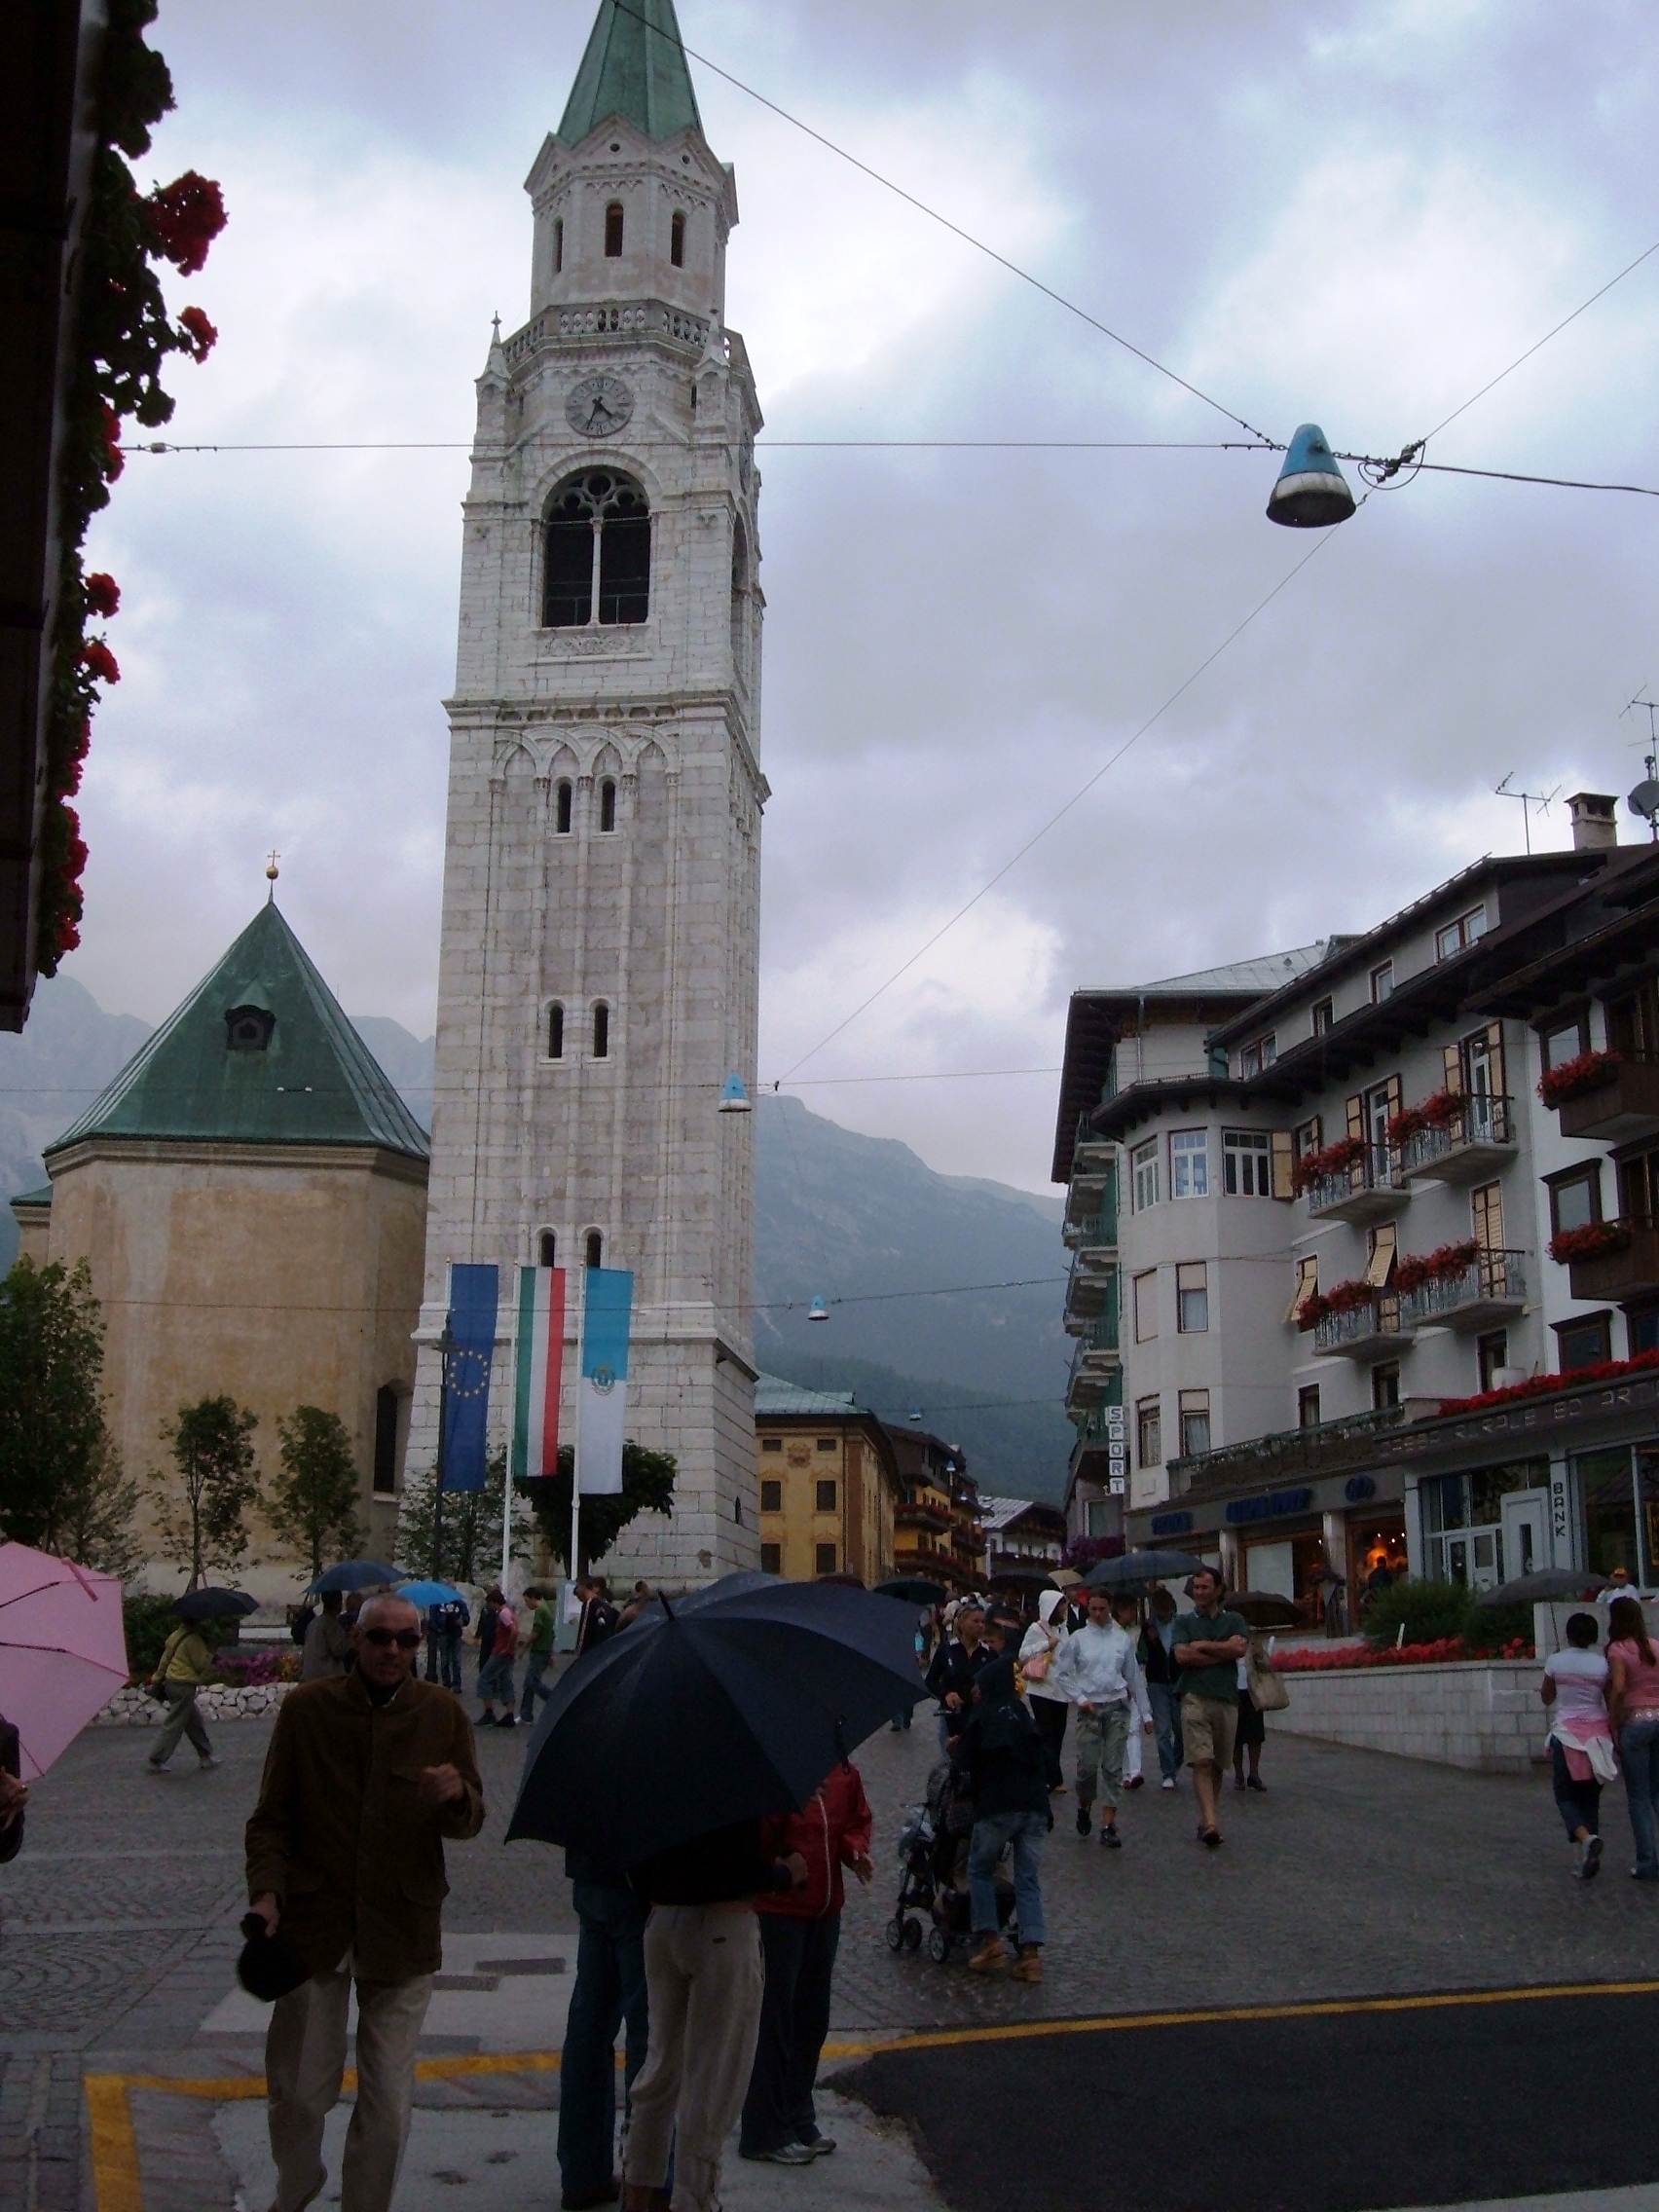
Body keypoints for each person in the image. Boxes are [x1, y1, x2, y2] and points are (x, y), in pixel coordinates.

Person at [245, 1592, 484, 2212]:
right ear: (356, 1639)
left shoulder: (441, 1713)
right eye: (382, 1638)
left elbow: (470, 1820)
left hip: (402, 1929)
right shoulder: (308, 1711)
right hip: (316, 1926)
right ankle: (296, 2187)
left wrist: (456, 1795)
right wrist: (267, 1895)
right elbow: (271, 1819)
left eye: (408, 1640)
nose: (394, 1651)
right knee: (298, 2091)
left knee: (388, 2109)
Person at [620, 1822, 808, 2212]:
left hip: (663, 1923)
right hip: (723, 1928)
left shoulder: (652, 1769)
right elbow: (736, 1871)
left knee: (658, 2070)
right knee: (715, 2077)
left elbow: (633, 1863)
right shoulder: (734, 1774)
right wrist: (786, 1873)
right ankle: (695, 2200)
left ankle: (635, 2195)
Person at [740, 1759, 873, 2165]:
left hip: (824, 1910)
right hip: (780, 1911)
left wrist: (855, 1850)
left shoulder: (845, 1773)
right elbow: (760, 1839)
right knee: (775, 2019)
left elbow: (854, 1820)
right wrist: (790, 1798)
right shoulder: (774, 1773)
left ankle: (799, 2112)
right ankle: (763, 2127)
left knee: (812, 2017)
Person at [559, 1838, 654, 2212]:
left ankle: (583, 2173)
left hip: (591, 1871)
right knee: (648, 2037)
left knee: (590, 2025)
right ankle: (650, 2175)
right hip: (641, 1883)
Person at [951, 1657, 1050, 1983]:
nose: (975, 1691)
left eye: (978, 1685)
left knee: (978, 1870)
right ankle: (1031, 1956)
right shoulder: (1022, 1712)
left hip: (998, 1805)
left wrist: (957, 1746)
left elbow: (961, 1764)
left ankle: (991, 1942)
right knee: (1027, 1878)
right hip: (1035, 1805)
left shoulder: (983, 1714)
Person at [1049, 1587, 1152, 1847]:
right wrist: (1081, 1699)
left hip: (1116, 1706)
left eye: (1102, 1609)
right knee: (1087, 1769)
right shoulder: (1078, 1639)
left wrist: (1146, 1712)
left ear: (1110, 1609)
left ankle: (1108, 1823)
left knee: (1112, 1767)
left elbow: (1133, 1677)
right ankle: (1084, 1806)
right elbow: (1061, 1674)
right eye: (1092, 1609)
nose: (1097, 1614)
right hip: (1089, 1709)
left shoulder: (1122, 1640)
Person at [1172, 1567, 1250, 1849]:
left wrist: (1203, 1646)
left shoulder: (1234, 1619)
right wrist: (1222, 1651)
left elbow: (1239, 1650)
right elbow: (1182, 1655)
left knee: (1217, 1763)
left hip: (1227, 1698)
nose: (1200, 1593)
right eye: (1196, 1588)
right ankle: (1212, 1822)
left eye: (1205, 1587)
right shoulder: (1183, 1621)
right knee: (1202, 1760)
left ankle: (1207, 1817)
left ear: (1218, 1589)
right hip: (1194, 1697)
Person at [1541, 1610, 1612, 1880]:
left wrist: (1557, 1674)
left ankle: (1585, 1840)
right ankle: (1587, 1857)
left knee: (1565, 1795)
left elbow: (1547, 1698)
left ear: (1569, 1635)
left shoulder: (1556, 1661)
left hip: (1567, 1735)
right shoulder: (1601, 1664)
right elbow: (1607, 1697)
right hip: (1598, 1736)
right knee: (1590, 1799)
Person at [1606, 1594, 1659, 1880]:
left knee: (1638, 1797)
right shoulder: (1655, 1647)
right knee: (1657, 1792)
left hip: (1635, 1723)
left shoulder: (1617, 1649)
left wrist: (1613, 1720)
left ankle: (1647, 1861)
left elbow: (1618, 1687)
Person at [146, 1614, 220, 1773]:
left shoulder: (175, 1636)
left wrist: (157, 1678)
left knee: (193, 1721)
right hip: (184, 1684)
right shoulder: (194, 1640)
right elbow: (200, 1664)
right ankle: (157, 1758)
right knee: (175, 1723)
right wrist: (211, 1653)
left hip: (171, 1682)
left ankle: (205, 1754)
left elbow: (164, 1660)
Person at [1019, 1591, 1071, 1790]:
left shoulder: (1063, 1629)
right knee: (1045, 1733)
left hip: (1061, 1690)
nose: (1064, 1610)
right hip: (1040, 1689)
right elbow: (1023, 1653)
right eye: (1060, 1606)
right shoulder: (1036, 1629)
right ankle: (1051, 1778)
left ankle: (1050, 1774)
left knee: (1058, 1735)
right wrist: (1045, 1645)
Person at [924, 1601, 991, 1753]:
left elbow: (992, 1686)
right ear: (961, 1623)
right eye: (975, 1621)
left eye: (983, 1622)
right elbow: (930, 1681)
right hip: (951, 1718)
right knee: (950, 1763)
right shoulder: (947, 1650)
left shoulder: (987, 1654)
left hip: (978, 1718)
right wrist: (946, 1694)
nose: (980, 1625)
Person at [1139, 1588, 1185, 1790]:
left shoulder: (1181, 1624)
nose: (1162, 1610)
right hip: (1157, 1682)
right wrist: (1151, 1640)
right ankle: (1168, 1772)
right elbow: (1141, 1656)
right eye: (1158, 1606)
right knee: (1163, 1730)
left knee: (1182, 1730)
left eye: (1165, 1605)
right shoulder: (1148, 1627)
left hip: (1178, 1680)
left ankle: (1174, 1764)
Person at [1113, 1595, 1148, 1788]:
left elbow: (1143, 1655)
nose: (1133, 1614)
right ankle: (1124, 1772)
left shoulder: (1136, 1631)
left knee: (1134, 1727)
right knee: (1119, 1731)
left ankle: (1135, 1771)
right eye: (1130, 1609)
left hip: (1135, 1682)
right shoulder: (1110, 1631)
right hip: (1116, 1686)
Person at [477, 1585, 518, 1727]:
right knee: (505, 1680)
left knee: (484, 1678)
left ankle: (489, 1712)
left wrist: (507, 1648)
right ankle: (509, 1714)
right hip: (508, 1653)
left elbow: (513, 1631)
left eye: (490, 1604)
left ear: (495, 1602)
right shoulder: (510, 1611)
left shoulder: (503, 1613)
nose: (490, 1607)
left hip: (500, 1651)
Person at [518, 1585, 557, 1724]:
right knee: (529, 1683)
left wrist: (524, 1646)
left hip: (539, 1651)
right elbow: (551, 1633)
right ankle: (525, 1714)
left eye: (527, 1601)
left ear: (533, 1598)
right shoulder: (546, 1609)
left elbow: (536, 1631)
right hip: (544, 1650)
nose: (526, 1604)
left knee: (533, 1681)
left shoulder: (540, 1611)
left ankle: (552, 1699)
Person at [300, 1590, 352, 1682]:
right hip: (326, 1677)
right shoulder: (331, 1624)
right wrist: (351, 1637)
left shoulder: (313, 1623)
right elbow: (339, 1649)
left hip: (309, 1674)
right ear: (338, 1604)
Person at [426, 1591, 470, 1691]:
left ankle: (457, 1684)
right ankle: (446, 1683)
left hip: (456, 1635)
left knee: (456, 1660)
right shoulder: (438, 1604)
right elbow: (433, 1619)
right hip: (443, 1634)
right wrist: (438, 1629)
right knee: (444, 1660)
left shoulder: (460, 1603)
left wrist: (463, 1622)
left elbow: (466, 1618)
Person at [576, 1576, 620, 1656]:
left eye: (578, 1586)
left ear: (583, 1586)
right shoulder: (605, 1605)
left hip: (590, 1651)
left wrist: (578, 1654)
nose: (577, 1590)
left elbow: (584, 1631)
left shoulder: (590, 1604)